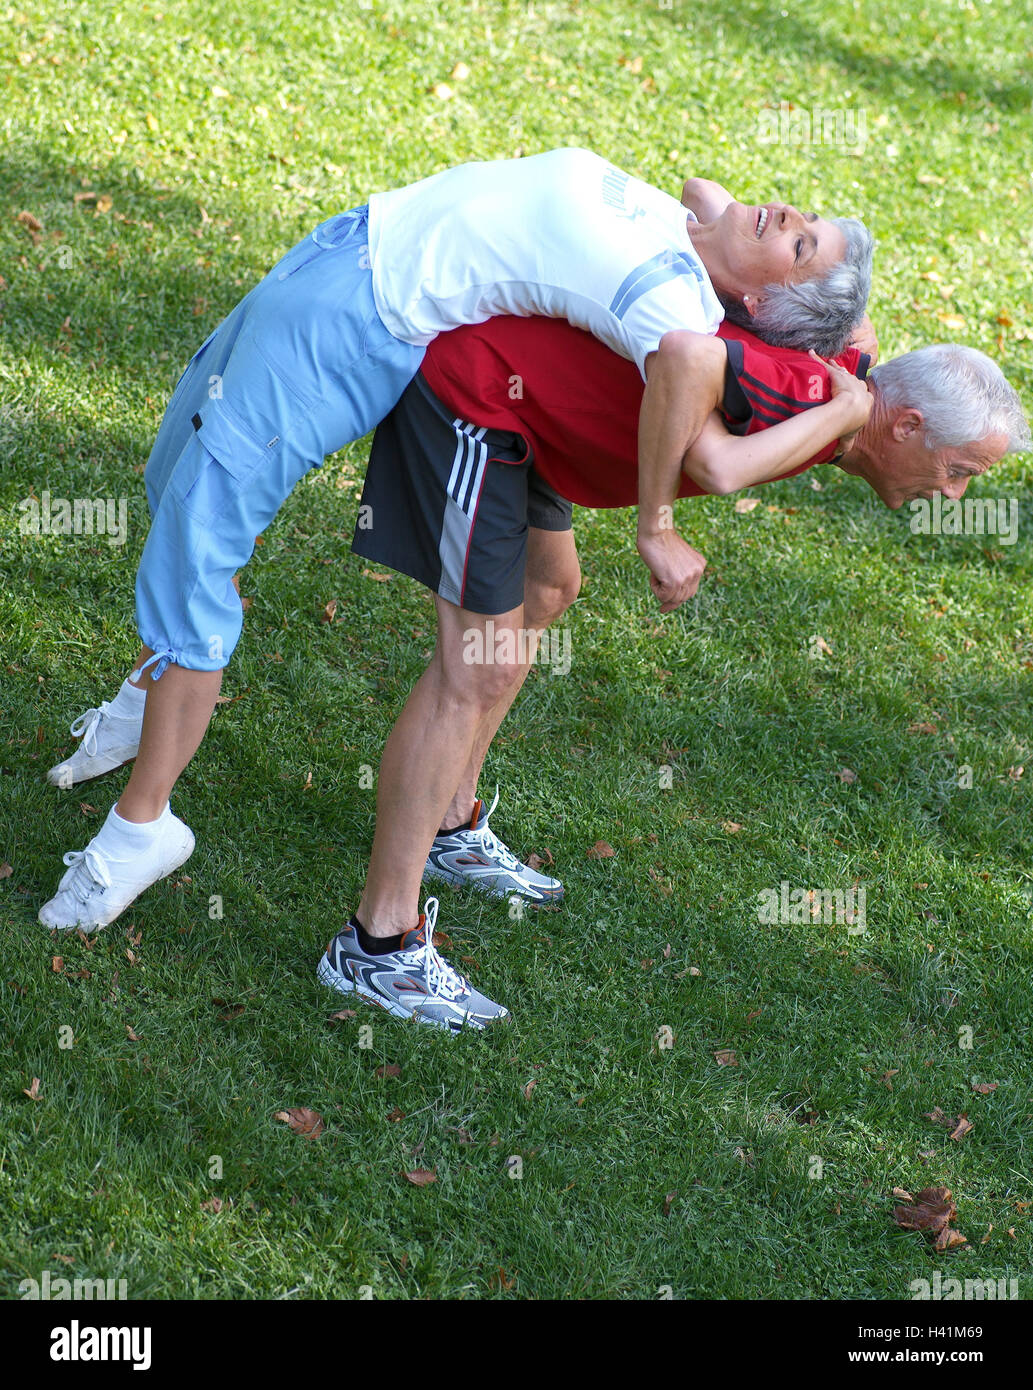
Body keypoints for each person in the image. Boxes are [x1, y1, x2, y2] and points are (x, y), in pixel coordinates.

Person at [36, 149, 873, 1029]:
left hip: (360, 319)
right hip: (347, 246)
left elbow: (700, 408)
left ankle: (144, 829)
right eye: (798, 217)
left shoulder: (673, 300)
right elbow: (716, 198)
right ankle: (144, 703)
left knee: (197, 546)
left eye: (799, 242)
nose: (783, 215)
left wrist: (682, 512)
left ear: (753, 302)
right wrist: (842, 320)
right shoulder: (707, 227)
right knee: (177, 476)